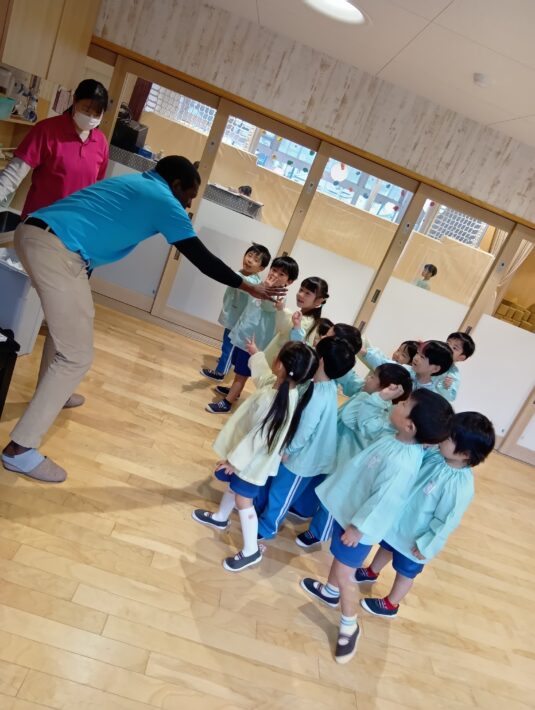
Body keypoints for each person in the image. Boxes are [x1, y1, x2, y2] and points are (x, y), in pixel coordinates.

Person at [1, 156, 286, 483]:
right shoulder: (164, 200)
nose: (188, 204)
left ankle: (56, 394)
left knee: (71, 328)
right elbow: (201, 257)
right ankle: (20, 450)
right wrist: (250, 286)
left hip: (34, 232)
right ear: (176, 185)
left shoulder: (136, 183)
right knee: (76, 355)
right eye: (189, 196)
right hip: (57, 250)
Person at [299, 389, 453, 664]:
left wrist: (358, 528)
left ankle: (349, 625)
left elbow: (383, 502)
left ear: (410, 425)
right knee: (340, 561)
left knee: (346, 573)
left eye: (404, 404)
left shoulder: (402, 462)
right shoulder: (396, 439)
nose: (399, 403)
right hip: (352, 511)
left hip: (360, 526)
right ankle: (330, 592)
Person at [192, 341, 318, 572]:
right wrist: (256, 355)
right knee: (234, 488)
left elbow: (257, 439)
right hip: (252, 460)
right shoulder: (284, 390)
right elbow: (263, 378)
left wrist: (234, 462)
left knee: (244, 501)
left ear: (280, 365)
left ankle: (250, 551)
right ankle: (221, 517)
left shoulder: (275, 400)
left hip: (251, 463)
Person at [358, 411, 495, 618]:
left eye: (449, 437)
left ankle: (391, 604)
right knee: (386, 545)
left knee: (405, 572)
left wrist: (427, 544)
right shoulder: (437, 455)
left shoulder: (459, 486)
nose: (443, 437)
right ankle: (372, 571)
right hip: (400, 521)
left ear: (465, 454)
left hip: (416, 537)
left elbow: (447, 520)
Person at [295, 363, 413, 549]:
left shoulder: (382, 411)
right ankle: (304, 510)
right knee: (319, 484)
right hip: (335, 450)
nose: (368, 378)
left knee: (332, 498)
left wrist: (370, 397)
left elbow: (349, 418)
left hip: (346, 458)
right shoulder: (367, 396)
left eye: (373, 377)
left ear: (385, 389)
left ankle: (319, 532)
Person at [256, 336, 355, 540]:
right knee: (277, 490)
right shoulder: (325, 385)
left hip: (301, 460)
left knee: (280, 496)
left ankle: (267, 528)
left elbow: (304, 431)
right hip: (299, 454)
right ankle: (260, 515)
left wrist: (288, 450)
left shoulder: (318, 394)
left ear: (321, 361)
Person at [0, 79, 109, 220]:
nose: (91, 117)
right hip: (39, 222)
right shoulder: (47, 130)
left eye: (97, 114)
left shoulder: (101, 142)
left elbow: (96, 188)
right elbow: (14, 173)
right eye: (86, 110)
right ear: (75, 100)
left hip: (73, 225)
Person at [205, 256, 299, 414]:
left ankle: (227, 402)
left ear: (289, 282)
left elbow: (267, 306)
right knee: (238, 369)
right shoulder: (262, 286)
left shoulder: (279, 296)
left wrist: (266, 287)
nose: (275, 274)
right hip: (245, 334)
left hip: (254, 341)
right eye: (274, 270)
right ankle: (234, 392)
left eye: (281, 274)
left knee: (242, 373)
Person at [200, 243, 271, 381]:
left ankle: (220, 372)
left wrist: (227, 273)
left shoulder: (251, 281)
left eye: (256, 260)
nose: (249, 260)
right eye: (249, 255)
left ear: (261, 268)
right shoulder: (242, 274)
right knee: (227, 345)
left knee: (228, 346)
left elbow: (237, 280)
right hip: (234, 318)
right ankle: (225, 360)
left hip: (237, 322)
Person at [263, 276, 329, 365]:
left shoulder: (307, 321)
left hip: (277, 363)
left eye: (307, 293)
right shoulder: (307, 319)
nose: (300, 294)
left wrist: (281, 310)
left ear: (318, 301)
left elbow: (284, 329)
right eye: (301, 290)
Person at [434, 331, 475, 403]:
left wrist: (446, 387)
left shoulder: (453, 374)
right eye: (447, 343)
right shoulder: (432, 358)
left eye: (454, 348)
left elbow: (451, 397)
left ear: (461, 358)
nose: (448, 347)